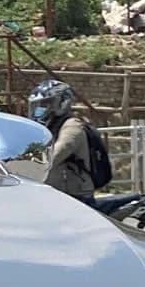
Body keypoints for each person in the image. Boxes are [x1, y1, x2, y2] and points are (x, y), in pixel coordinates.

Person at [25, 77, 112, 207]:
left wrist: (30, 166)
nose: (40, 110)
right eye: (37, 106)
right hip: (52, 193)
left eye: (46, 104)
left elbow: (61, 150)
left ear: (62, 102)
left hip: (75, 196)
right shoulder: (44, 129)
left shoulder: (72, 125)